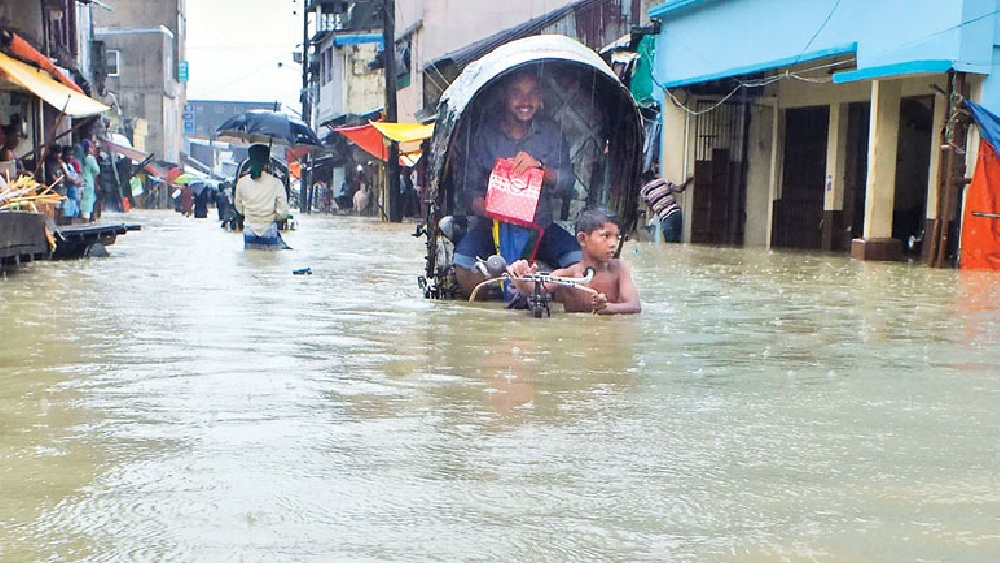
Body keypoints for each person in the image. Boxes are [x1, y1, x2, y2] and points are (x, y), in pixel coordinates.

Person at [453, 69, 579, 298]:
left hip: (540, 226)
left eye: (532, 94)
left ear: (540, 97)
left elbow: (568, 183)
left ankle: (543, 291)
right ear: (504, 96)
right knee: (461, 262)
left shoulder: (551, 134)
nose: (525, 101)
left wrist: (539, 169)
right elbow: (468, 190)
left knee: (578, 261)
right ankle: (492, 302)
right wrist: (488, 209)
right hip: (493, 227)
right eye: (516, 93)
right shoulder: (485, 136)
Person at [508, 208, 640, 315]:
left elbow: (634, 306)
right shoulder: (567, 276)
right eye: (605, 236)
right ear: (582, 239)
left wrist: (608, 308)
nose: (613, 244)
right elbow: (533, 289)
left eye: (617, 237)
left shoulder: (619, 268)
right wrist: (520, 277)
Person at [234, 144, 289, 250]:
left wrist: (251, 214)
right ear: (267, 162)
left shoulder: (242, 182)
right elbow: (283, 212)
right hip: (269, 230)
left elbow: (239, 209)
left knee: (250, 262)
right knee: (269, 264)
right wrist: (272, 216)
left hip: (249, 229)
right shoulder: (276, 183)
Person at [640, 176, 690, 243]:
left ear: (643, 181)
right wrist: (687, 181)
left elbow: (651, 207)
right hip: (677, 212)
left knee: (669, 244)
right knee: (677, 241)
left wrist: (652, 218)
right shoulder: (663, 181)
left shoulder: (644, 191)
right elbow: (679, 189)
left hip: (666, 217)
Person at [79, 140, 100, 222]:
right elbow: (96, 171)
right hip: (88, 183)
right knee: (87, 206)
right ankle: (86, 224)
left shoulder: (81, 158)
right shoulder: (90, 158)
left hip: (81, 182)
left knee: (83, 205)